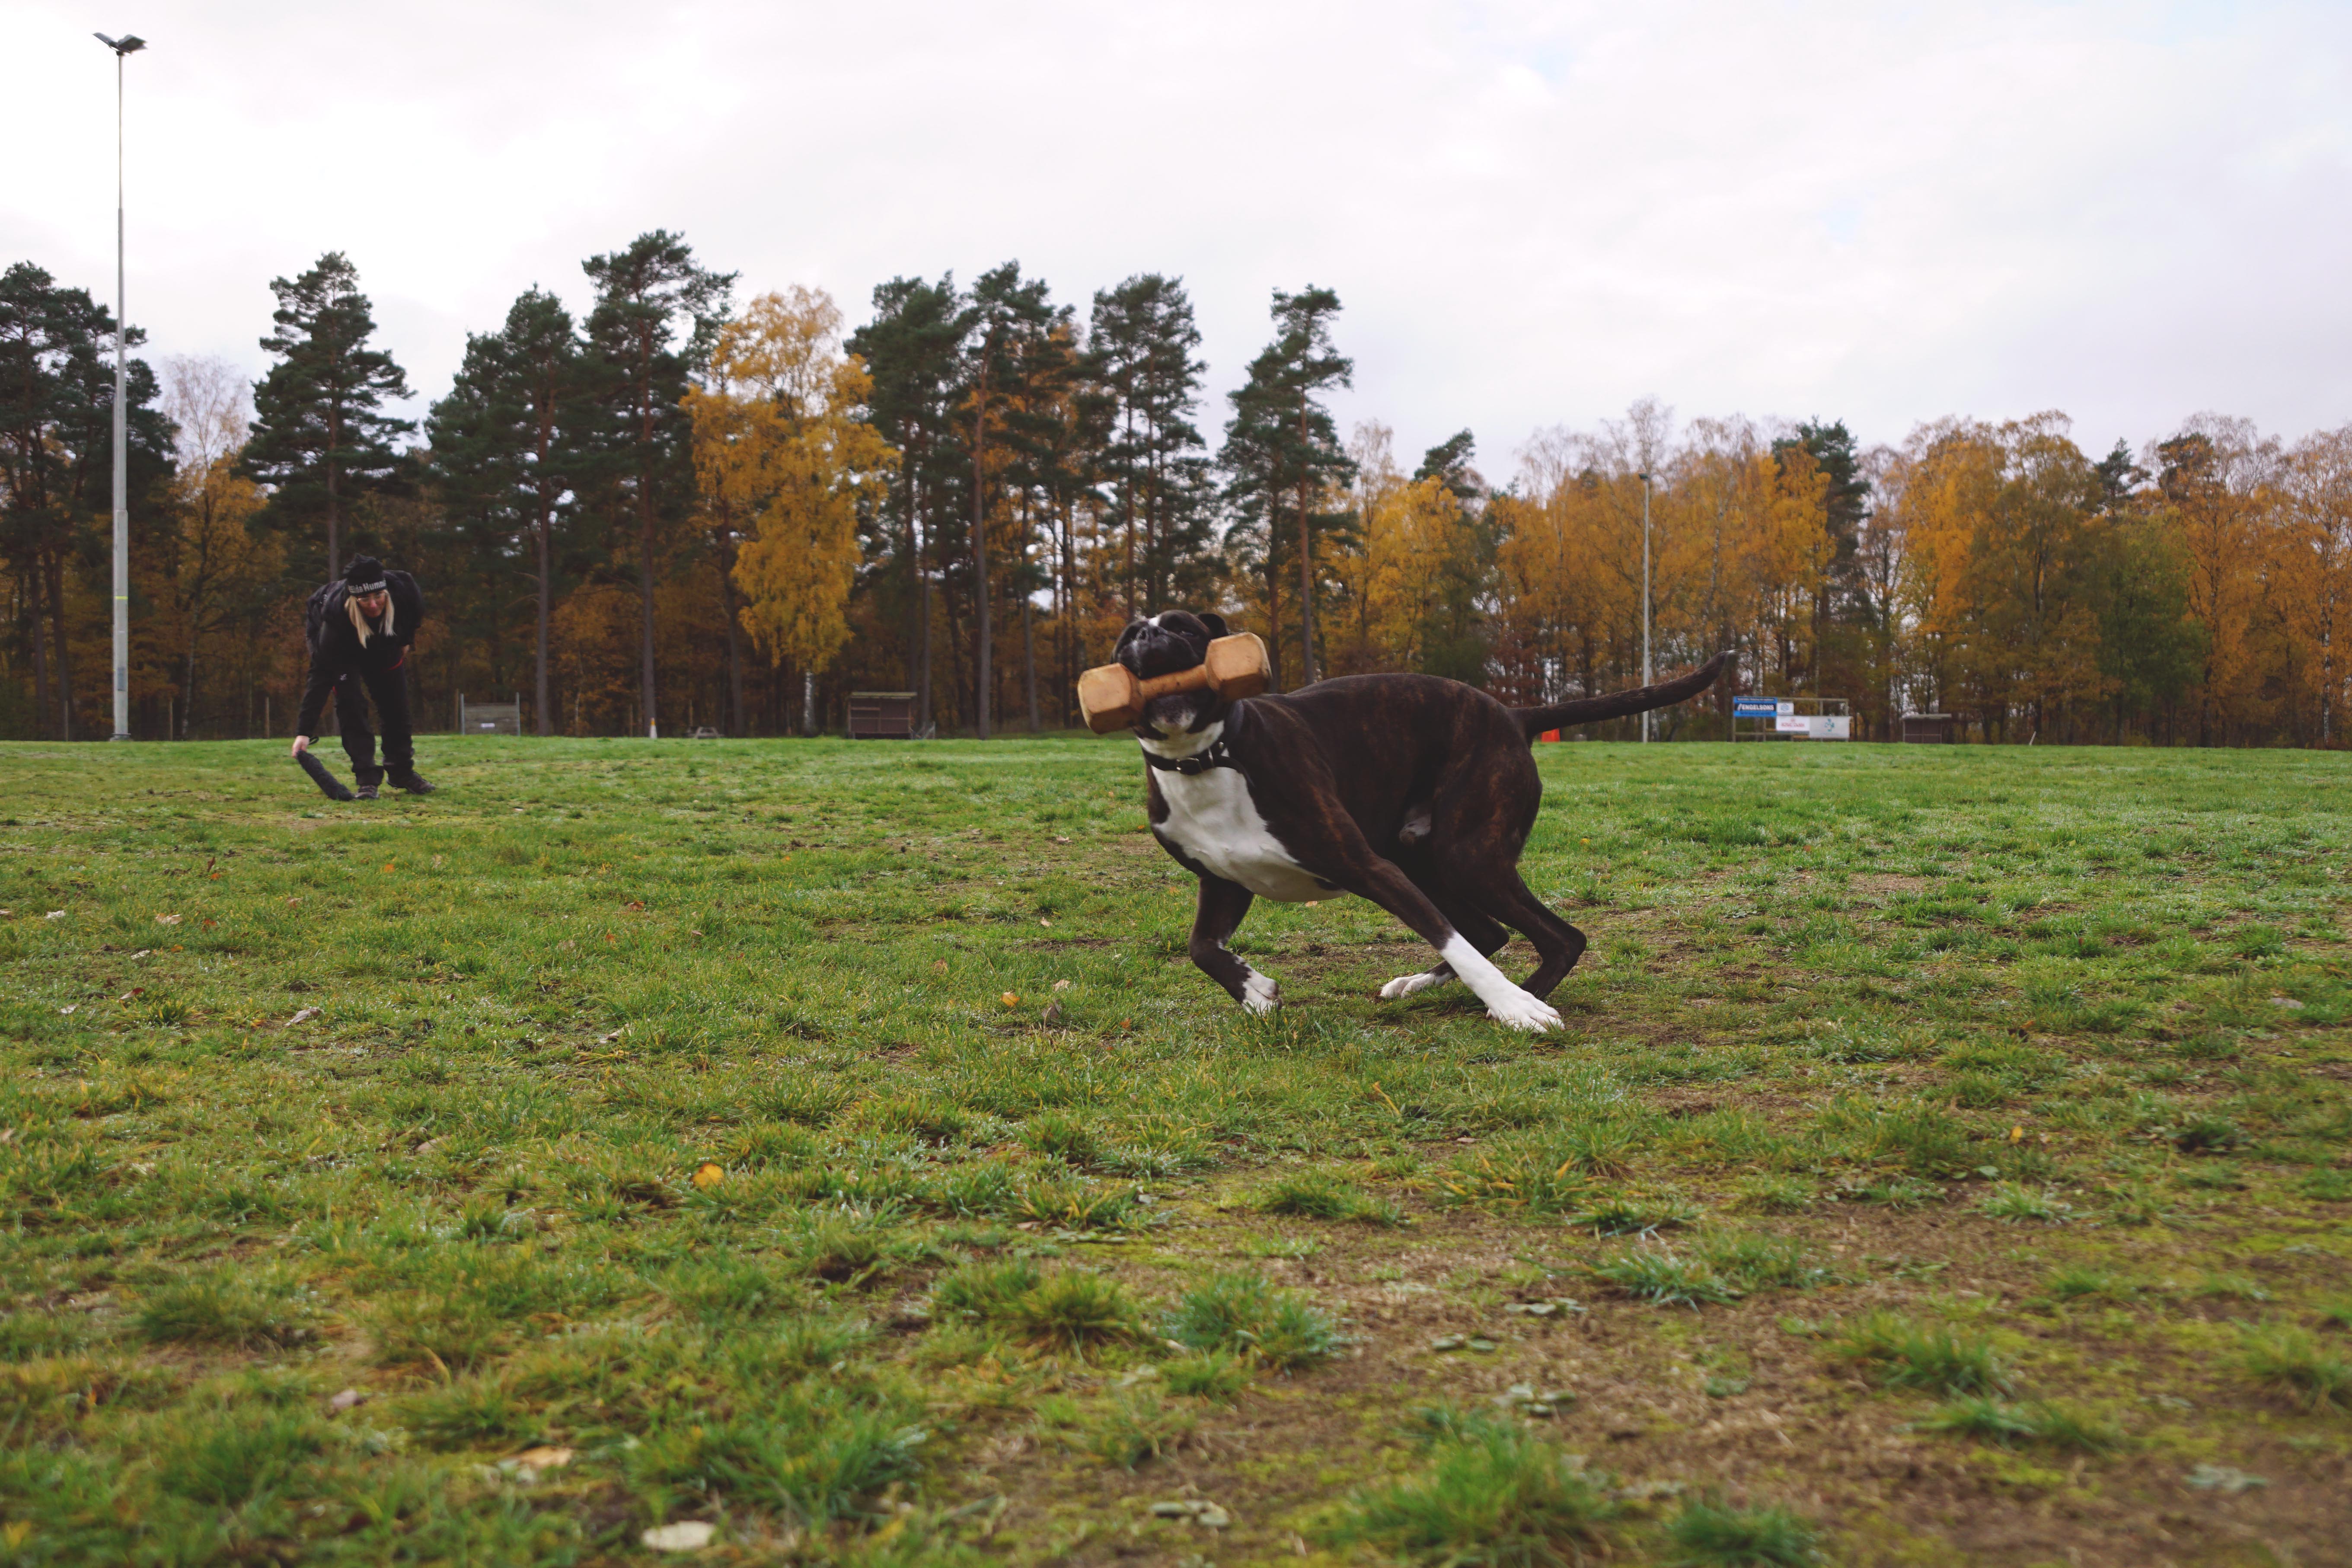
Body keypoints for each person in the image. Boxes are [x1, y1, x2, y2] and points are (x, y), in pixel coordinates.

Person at [290, 555, 434, 798]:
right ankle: (367, 778)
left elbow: (413, 619)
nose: (374, 605)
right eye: (365, 599)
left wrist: (406, 641)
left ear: (386, 592)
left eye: (378, 596)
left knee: (396, 706)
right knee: (351, 706)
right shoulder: (334, 619)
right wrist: (304, 731)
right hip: (343, 646)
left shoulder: (405, 591)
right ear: (354, 599)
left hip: (383, 640)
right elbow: (320, 676)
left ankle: (401, 772)